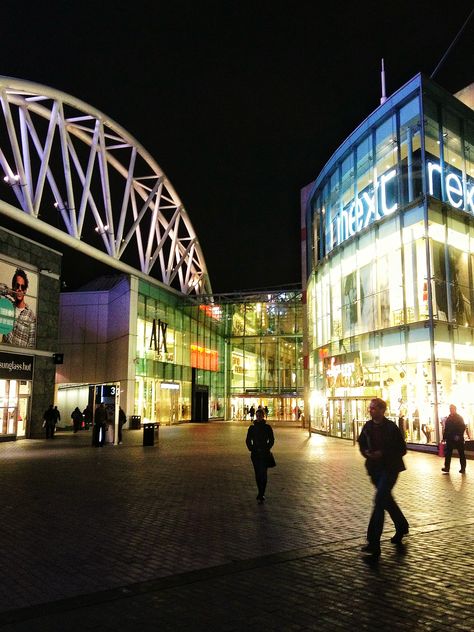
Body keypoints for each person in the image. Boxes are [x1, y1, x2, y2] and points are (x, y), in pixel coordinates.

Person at [357, 397, 409, 557]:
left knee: (379, 501)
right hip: (375, 470)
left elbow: (402, 449)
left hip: (390, 469)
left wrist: (383, 453)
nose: (370, 410)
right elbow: (362, 443)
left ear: (381, 410)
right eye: (370, 408)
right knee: (386, 500)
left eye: (373, 408)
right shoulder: (368, 427)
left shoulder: (391, 428)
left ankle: (373, 542)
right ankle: (401, 526)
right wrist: (366, 453)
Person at [246, 407, 275, 504]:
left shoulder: (267, 428)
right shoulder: (252, 428)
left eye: (260, 416)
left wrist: (267, 448)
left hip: (264, 453)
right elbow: (248, 440)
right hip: (255, 454)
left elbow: (271, 440)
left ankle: (262, 493)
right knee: (258, 474)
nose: (258, 417)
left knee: (263, 473)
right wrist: (251, 448)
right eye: (257, 416)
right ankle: (260, 491)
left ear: (263, 416)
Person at [1, 268, 36, 347]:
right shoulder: (8, 305)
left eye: (22, 287)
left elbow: (31, 345)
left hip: (19, 357)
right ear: (13, 286)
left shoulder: (31, 316)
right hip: (4, 356)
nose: (20, 289)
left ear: (25, 290)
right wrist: (11, 292)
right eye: (17, 286)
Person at [441, 404, 470, 474]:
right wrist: (444, 437)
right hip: (450, 438)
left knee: (461, 453)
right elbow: (446, 429)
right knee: (448, 453)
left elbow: (462, 427)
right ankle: (447, 468)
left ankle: (463, 468)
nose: (450, 410)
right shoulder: (449, 418)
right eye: (450, 409)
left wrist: (458, 435)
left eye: (452, 409)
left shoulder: (459, 417)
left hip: (458, 438)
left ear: (455, 409)